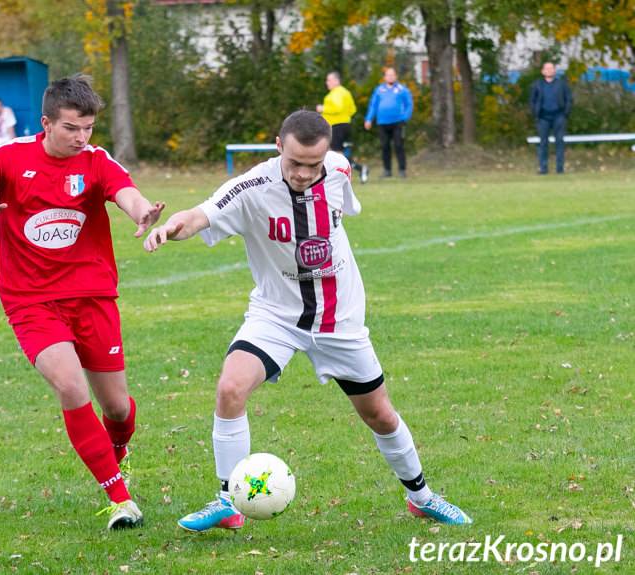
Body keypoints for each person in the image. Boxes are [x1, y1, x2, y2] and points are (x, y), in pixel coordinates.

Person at [144, 110, 472, 532]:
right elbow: (199, 214)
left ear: (328, 155)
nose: (303, 173)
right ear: (279, 147)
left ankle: (422, 498)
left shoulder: (338, 170)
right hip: (276, 316)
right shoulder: (250, 188)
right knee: (230, 387)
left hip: (340, 319)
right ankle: (227, 501)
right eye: (295, 162)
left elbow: (343, 210)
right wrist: (169, 229)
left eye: (312, 164)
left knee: (381, 415)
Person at [0, 75, 164, 531]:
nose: (82, 139)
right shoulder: (9, 157)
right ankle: (119, 498)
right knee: (71, 387)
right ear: (46, 123)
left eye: (89, 129)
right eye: (72, 128)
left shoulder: (96, 161)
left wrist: (143, 213)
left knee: (116, 409)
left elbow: (127, 194)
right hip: (31, 300)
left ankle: (114, 456)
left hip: (93, 295)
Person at [316, 71, 368, 183]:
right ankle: (359, 169)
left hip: (336, 126)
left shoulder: (336, 93)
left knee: (336, 153)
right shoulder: (346, 92)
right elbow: (352, 109)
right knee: (335, 152)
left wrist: (323, 109)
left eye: (329, 80)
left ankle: (340, 176)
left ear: (336, 80)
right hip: (345, 124)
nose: (327, 82)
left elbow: (337, 108)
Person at [364, 68, 413, 178]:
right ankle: (387, 170)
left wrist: (405, 118)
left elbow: (409, 104)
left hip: (398, 123)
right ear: (385, 77)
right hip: (382, 122)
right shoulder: (379, 90)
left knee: (399, 145)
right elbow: (373, 105)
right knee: (385, 146)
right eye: (388, 75)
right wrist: (368, 119)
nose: (390, 77)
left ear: (396, 76)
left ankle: (402, 169)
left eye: (392, 75)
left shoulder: (402, 89)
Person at [530, 62, 572, 175]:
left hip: (559, 117)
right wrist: (535, 113)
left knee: (560, 142)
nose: (549, 70)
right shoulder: (537, 85)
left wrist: (565, 113)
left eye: (551, 68)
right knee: (543, 143)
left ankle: (560, 169)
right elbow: (532, 100)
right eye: (547, 68)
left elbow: (568, 99)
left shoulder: (562, 84)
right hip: (543, 117)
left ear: (554, 71)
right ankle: (543, 169)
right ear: (542, 71)